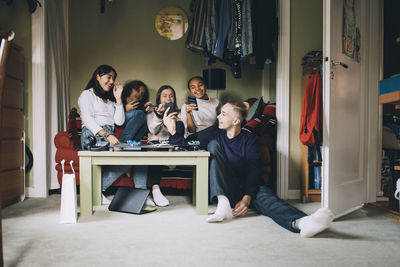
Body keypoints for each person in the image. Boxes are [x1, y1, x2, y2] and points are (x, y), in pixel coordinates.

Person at [164, 101, 334, 238]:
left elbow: (254, 170)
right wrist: (172, 129)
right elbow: (186, 145)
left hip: (249, 187)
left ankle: (302, 223)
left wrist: (247, 198)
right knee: (213, 146)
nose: (218, 116)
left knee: (269, 199)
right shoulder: (215, 136)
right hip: (225, 187)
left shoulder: (250, 140)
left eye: (223, 114)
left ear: (236, 121)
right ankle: (223, 204)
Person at [78, 65, 149, 205]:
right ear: (98, 76)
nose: (111, 81)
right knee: (128, 157)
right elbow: (87, 119)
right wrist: (106, 135)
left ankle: (98, 190)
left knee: (134, 155)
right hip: (93, 135)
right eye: (108, 77)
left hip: (109, 135)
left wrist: (118, 100)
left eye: (113, 78)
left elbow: (119, 121)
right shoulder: (87, 94)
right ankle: (97, 190)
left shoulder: (110, 100)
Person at [145, 85, 184, 206]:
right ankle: (156, 190)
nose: (168, 98)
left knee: (179, 126)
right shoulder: (152, 113)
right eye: (165, 96)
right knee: (154, 150)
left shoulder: (180, 113)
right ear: (159, 98)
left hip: (174, 148)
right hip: (158, 149)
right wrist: (158, 115)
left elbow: (184, 133)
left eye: (171, 96)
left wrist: (161, 137)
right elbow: (152, 129)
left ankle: (156, 190)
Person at [180, 76, 219, 143]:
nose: (197, 89)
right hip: (195, 137)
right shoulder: (187, 106)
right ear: (190, 91)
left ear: (205, 86)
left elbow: (219, 121)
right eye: (193, 87)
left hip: (213, 136)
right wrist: (188, 113)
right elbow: (191, 131)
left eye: (200, 85)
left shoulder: (216, 102)